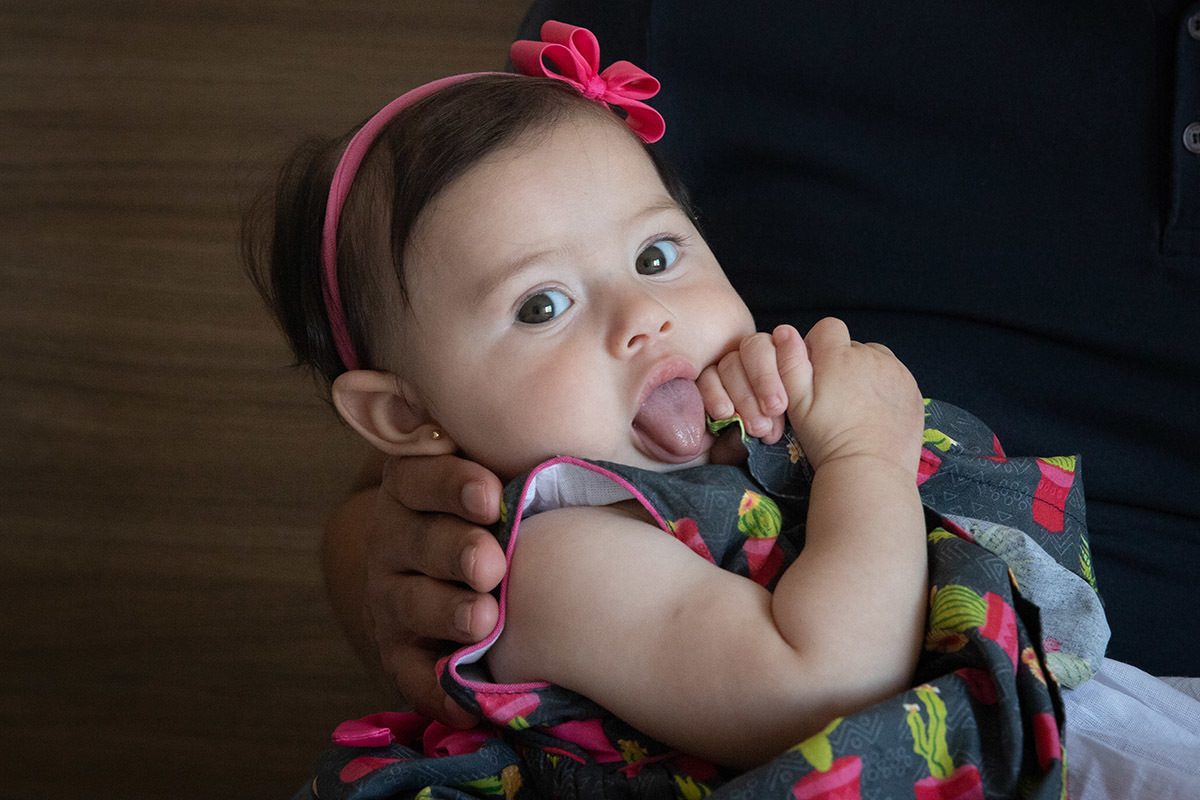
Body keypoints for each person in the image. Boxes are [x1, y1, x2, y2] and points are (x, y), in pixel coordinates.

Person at [248, 23, 1104, 797]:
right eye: (543, 306)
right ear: (406, 420)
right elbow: (826, 690)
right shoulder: (555, 559)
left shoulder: (722, 441)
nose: (644, 318)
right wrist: (865, 460)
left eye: (657, 254)